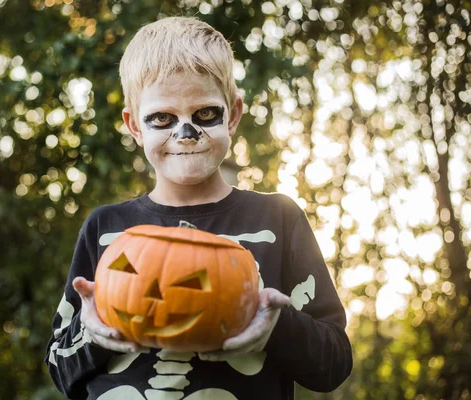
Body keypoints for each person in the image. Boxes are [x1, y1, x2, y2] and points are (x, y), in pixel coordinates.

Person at [45, 16, 352, 400]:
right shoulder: (105, 227)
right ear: (135, 126)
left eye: (205, 114)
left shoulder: (278, 219)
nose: (185, 135)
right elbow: (59, 366)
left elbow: (334, 363)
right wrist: (94, 332)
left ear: (234, 114)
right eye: (162, 118)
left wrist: (276, 325)